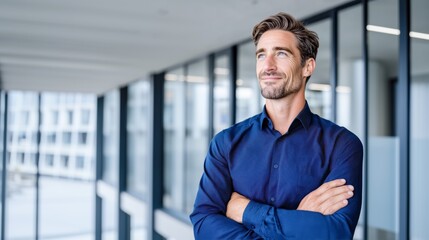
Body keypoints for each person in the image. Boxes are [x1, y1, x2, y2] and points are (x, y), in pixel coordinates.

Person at [190, 12, 363, 240]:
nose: (268, 66)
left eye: (281, 53)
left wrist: (246, 210)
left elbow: (336, 233)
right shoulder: (226, 143)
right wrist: (298, 221)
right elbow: (203, 224)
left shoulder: (341, 145)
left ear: (307, 67)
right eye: (261, 55)